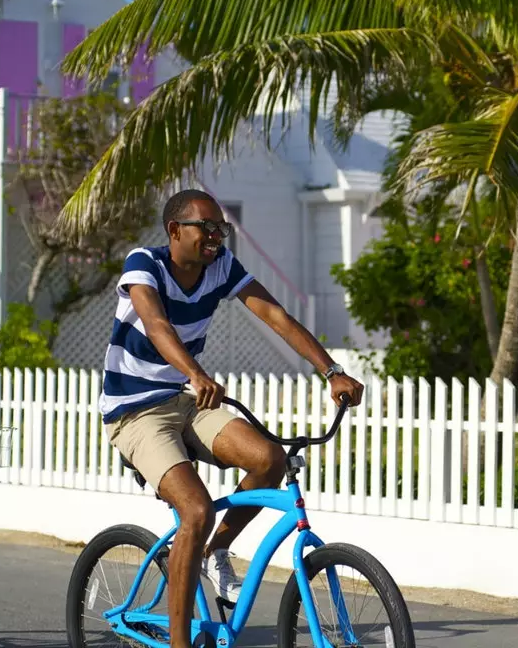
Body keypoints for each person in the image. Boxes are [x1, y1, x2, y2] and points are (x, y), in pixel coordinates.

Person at [100, 189, 364, 648]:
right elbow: (157, 325)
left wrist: (332, 370)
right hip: (135, 410)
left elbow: (275, 316)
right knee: (196, 510)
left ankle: (215, 549)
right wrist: (195, 372)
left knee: (269, 460)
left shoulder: (220, 267)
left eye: (221, 228)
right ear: (175, 230)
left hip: (186, 400)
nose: (216, 237)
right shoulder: (144, 263)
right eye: (206, 227)